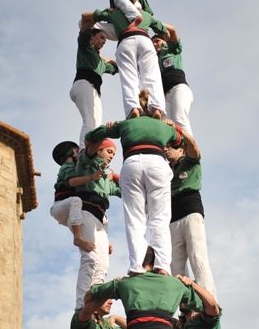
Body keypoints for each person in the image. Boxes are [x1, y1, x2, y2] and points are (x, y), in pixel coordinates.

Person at [85, 101, 182, 275]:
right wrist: (171, 125)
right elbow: (179, 140)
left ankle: (137, 265)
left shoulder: (126, 123)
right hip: (157, 163)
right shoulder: (162, 125)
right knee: (160, 218)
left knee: (134, 219)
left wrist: (108, 127)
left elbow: (93, 135)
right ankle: (162, 265)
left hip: (131, 164)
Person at [81, 0, 167, 119]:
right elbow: (164, 31)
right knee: (152, 75)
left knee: (129, 78)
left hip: (126, 40)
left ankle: (133, 108)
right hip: (145, 40)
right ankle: (156, 108)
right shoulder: (146, 14)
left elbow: (85, 16)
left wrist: (108, 11)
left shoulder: (116, 12)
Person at [68, 138, 120, 309]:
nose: (111, 156)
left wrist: (117, 177)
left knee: (103, 264)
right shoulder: (86, 165)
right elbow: (89, 150)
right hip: (87, 212)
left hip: (101, 219)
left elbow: (124, 190)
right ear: (99, 150)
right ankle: (80, 306)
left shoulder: (106, 177)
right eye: (109, 151)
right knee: (90, 258)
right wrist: (103, 135)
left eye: (114, 154)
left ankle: (94, 303)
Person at [164, 133, 216, 296]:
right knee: (175, 265)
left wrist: (178, 129)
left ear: (181, 149)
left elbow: (193, 145)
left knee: (197, 256)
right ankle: (185, 305)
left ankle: (209, 299)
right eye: (165, 147)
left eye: (171, 146)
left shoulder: (189, 161)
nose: (166, 149)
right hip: (172, 218)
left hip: (190, 211)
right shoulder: (165, 171)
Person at [71, 26, 118, 145]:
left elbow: (116, 68)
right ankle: (83, 149)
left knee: (97, 123)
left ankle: (91, 148)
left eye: (105, 41)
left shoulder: (101, 62)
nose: (103, 42)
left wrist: (108, 59)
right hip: (84, 84)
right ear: (92, 37)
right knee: (90, 120)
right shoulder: (85, 47)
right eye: (101, 37)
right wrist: (91, 25)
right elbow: (83, 35)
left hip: (94, 90)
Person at [49, 141, 94, 252]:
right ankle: (77, 238)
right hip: (60, 206)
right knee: (76, 200)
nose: (79, 153)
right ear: (68, 152)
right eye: (76, 151)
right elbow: (72, 182)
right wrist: (90, 177)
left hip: (68, 212)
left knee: (83, 225)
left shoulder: (75, 168)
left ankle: (97, 242)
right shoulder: (66, 167)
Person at [153, 24, 194, 136]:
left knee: (179, 118)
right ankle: (176, 146)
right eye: (153, 43)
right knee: (167, 124)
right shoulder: (153, 60)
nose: (155, 44)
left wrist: (154, 23)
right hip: (165, 95)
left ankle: (189, 145)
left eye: (157, 41)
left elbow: (173, 30)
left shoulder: (171, 50)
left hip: (178, 89)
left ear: (165, 41)